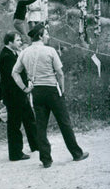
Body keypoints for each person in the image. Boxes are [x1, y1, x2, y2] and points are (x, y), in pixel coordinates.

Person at [12, 23, 88, 168]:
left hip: (36, 92)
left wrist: (24, 88)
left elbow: (14, 72)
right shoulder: (50, 51)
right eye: (46, 34)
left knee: (41, 127)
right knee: (64, 123)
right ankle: (77, 154)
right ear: (40, 36)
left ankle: (46, 160)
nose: (48, 36)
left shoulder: (24, 52)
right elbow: (60, 73)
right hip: (52, 90)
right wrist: (62, 89)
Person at [0, 32, 40, 161]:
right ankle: (15, 153)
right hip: (13, 95)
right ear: (10, 42)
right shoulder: (6, 56)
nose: (20, 42)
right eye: (17, 40)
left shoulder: (13, 53)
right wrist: (24, 88)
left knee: (29, 118)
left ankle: (35, 144)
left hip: (19, 93)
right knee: (14, 124)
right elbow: (13, 77)